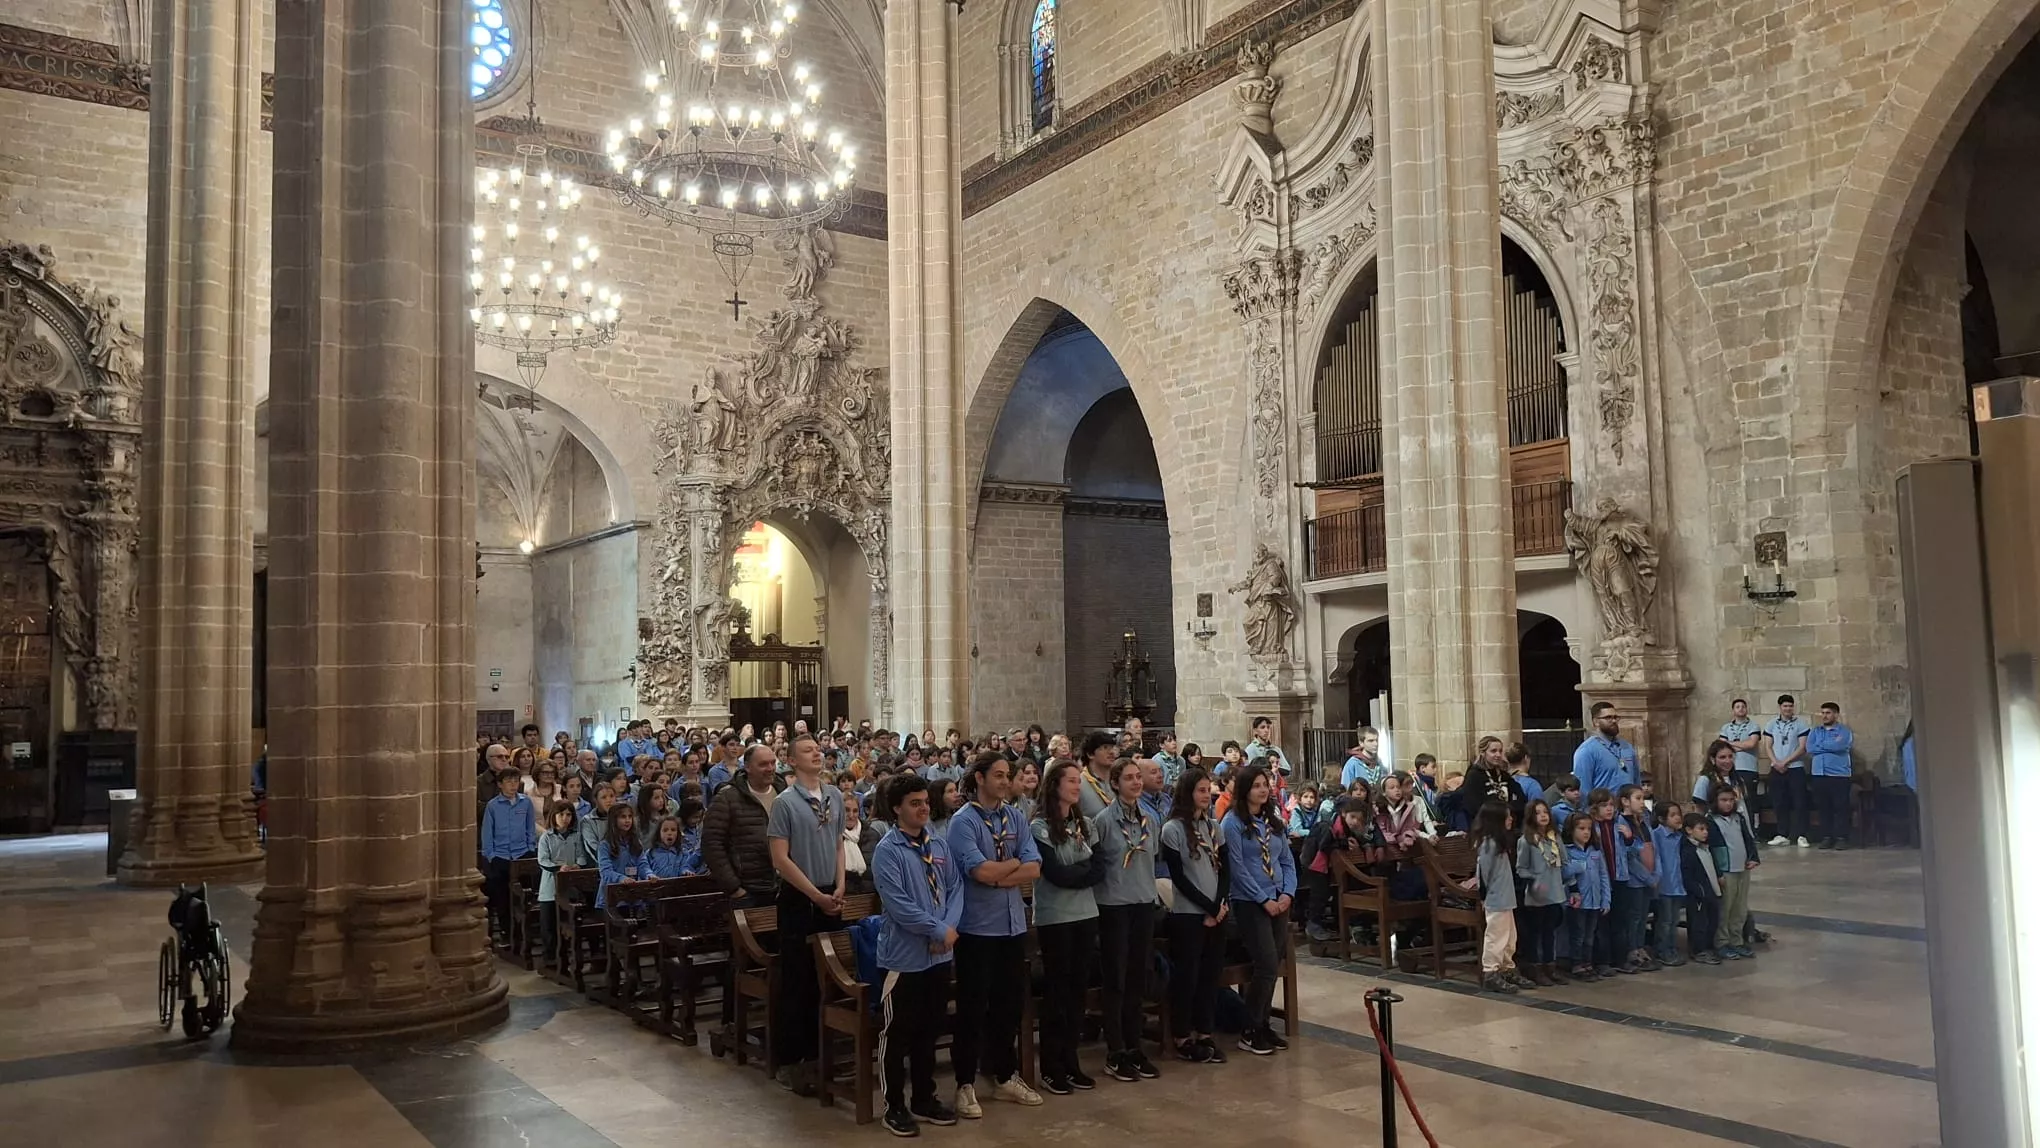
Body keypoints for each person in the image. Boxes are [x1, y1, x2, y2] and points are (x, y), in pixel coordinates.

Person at [946, 752, 1044, 1115]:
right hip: (976, 928)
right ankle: (964, 1083)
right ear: (981, 778)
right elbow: (981, 873)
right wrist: (1011, 866)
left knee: (1008, 1006)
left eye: (1008, 776)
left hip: (1012, 924)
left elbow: (1034, 869)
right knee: (973, 1007)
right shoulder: (963, 822)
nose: (1005, 781)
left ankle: (1004, 1077)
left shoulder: (1015, 817)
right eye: (999, 775)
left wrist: (1006, 870)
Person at [870, 774, 964, 1137]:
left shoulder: (937, 845)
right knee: (898, 1034)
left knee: (929, 1029)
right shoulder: (888, 851)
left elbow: (955, 887)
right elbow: (899, 905)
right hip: (904, 958)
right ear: (897, 808)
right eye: (915, 803)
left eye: (925, 801)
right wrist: (939, 930)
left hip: (940, 956)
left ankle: (925, 1097)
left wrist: (949, 929)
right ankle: (894, 1105)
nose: (924, 807)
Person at [766, 735, 847, 1095]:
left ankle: (821, 1054)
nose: (817, 753)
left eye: (818, 749)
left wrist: (840, 884)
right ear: (793, 761)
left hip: (831, 893)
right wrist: (815, 894)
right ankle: (790, 1060)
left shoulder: (835, 796)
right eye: (807, 751)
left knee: (827, 979)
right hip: (800, 899)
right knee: (797, 981)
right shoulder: (785, 803)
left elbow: (839, 843)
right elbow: (780, 859)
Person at [1031, 760, 1107, 1094]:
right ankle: (1051, 1064)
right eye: (1072, 781)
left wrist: (1080, 870)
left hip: (1085, 913)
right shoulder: (1039, 827)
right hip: (1055, 917)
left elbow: (1100, 868)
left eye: (1080, 781)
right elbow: (1055, 873)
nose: (1078, 787)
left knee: (1077, 993)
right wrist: (1083, 870)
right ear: (1055, 785)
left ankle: (1071, 1059)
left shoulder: (1086, 823)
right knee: (1057, 992)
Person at [1092, 755, 1161, 1082]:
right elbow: (1099, 862)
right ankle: (1115, 1049)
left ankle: (1135, 1046)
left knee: (1137, 977)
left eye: (1138, 777)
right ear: (1115, 783)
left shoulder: (1150, 818)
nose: (1135, 782)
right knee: (1116, 979)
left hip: (1143, 902)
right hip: (1114, 905)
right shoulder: (1104, 821)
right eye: (1129, 778)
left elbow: (1153, 856)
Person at [1223, 764, 1296, 1056]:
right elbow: (1237, 868)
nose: (1263, 790)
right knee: (1265, 963)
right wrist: (1262, 899)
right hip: (1250, 902)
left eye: (1265, 784)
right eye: (1256, 785)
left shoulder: (1273, 821)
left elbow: (1287, 860)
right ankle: (1250, 1028)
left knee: (1273, 964)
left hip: (1279, 898)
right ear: (1244, 790)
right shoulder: (1232, 823)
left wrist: (1288, 893)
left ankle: (1263, 1024)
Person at [1158, 768, 1228, 1064]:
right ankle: (1182, 1035)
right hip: (1188, 913)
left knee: (1211, 975)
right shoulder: (1172, 829)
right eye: (1201, 790)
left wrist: (1220, 904)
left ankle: (1205, 1031)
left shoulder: (1214, 826)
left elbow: (1225, 870)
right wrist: (1208, 908)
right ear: (1188, 793)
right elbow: (1180, 878)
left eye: (1207, 789)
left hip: (1217, 912)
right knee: (1188, 976)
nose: (1206, 794)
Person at [702, 744, 784, 908]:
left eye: (772, 763)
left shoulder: (783, 793)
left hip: (782, 886)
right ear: (747, 767)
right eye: (763, 764)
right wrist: (734, 887)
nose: (770, 769)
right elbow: (712, 844)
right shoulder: (727, 797)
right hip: (748, 889)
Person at [1469, 802, 1523, 994]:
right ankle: (1490, 972)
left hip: (1506, 897)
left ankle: (1506, 968)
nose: (1511, 819)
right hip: (1495, 897)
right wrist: (1483, 895)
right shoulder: (1488, 843)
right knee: (1496, 937)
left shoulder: (1499, 842)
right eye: (1507, 817)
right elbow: (1483, 872)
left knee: (1510, 937)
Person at [481, 766, 538, 944]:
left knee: (523, 897)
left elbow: (530, 827)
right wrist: (491, 856)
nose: (513, 785)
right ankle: (507, 933)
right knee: (503, 898)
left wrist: (530, 847)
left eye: (515, 781)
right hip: (501, 856)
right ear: (500, 785)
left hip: (522, 854)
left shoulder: (525, 802)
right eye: (508, 781)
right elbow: (487, 833)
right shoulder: (493, 806)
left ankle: (524, 933)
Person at [1707, 781, 1762, 959]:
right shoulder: (1710, 821)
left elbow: (1748, 838)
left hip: (1742, 868)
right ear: (1715, 801)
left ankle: (1737, 940)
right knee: (1725, 909)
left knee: (1740, 908)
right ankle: (1722, 942)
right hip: (1726, 870)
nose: (1728, 803)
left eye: (1731, 800)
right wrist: (1718, 873)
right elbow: (1711, 849)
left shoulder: (1739, 818)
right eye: (1723, 800)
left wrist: (1753, 857)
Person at [1515, 798, 1567, 986]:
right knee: (1535, 932)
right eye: (1538, 813)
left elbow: (1564, 862)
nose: (1543, 816)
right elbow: (1521, 868)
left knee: (1550, 932)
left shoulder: (1555, 838)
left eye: (1545, 811)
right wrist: (1535, 880)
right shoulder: (1526, 841)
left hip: (1555, 891)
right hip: (1537, 895)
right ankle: (1534, 968)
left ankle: (1550, 966)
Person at [1612, 784, 1658, 971]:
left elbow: (1653, 847)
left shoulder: (1643, 821)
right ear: (1625, 801)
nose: (1641, 802)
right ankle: (1631, 950)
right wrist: (1647, 878)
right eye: (1637, 798)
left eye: (1642, 798)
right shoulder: (1622, 823)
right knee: (1634, 917)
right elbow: (1629, 857)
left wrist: (1656, 873)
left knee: (1643, 916)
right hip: (1635, 880)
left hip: (1649, 876)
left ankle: (1640, 947)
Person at [1561, 812, 1611, 981]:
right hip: (1577, 903)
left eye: (1589, 829)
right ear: (1571, 830)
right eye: (1581, 828)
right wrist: (1579, 866)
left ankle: (1588, 963)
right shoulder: (1567, 851)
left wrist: (1606, 899)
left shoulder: (1595, 851)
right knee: (1578, 935)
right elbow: (1564, 872)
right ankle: (1576, 964)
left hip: (1595, 902)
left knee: (1590, 935)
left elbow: (1603, 875)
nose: (1586, 832)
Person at [536, 802, 584, 967]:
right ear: (554, 816)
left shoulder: (576, 835)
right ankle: (550, 958)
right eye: (561, 815)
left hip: (570, 887)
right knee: (549, 925)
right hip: (550, 886)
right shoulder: (546, 837)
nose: (565, 818)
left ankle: (565, 956)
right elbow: (543, 860)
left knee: (567, 924)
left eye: (569, 815)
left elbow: (581, 855)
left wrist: (578, 864)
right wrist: (558, 867)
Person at [1764, 694, 1812, 847]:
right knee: (1779, 802)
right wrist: (1776, 762)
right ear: (1780, 707)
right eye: (1785, 706)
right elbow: (1767, 746)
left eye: (1790, 706)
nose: (1788, 709)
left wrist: (1785, 761)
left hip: (1795, 768)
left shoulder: (1801, 724)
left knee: (1799, 802)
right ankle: (1782, 833)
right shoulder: (1771, 724)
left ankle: (1801, 835)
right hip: (1776, 768)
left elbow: (1802, 747)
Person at [1807, 702, 1855, 849]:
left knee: (1840, 807)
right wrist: (1829, 745)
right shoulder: (1815, 731)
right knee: (1823, 807)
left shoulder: (1844, 731)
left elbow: (1840, 746)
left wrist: (1821, 746)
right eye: (1823, 713)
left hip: (1839, 775)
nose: (1824, 716)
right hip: (1819, 775)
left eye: (1828, 713)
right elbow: (1810, 747)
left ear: (1835, 714)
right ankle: (1826, 836)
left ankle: (1841, 837)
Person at [1679, 811, 1724, 965]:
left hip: (1712, 891)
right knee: (1699, 924)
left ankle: (1709, 947)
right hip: (1698, 895)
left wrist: (1719, 877)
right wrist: (1700, 891)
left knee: (1712, 921)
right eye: (1701, 829)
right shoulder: (1688, 851)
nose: (1705, 833)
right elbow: (1688, 875)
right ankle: (1698, 950)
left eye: (1706, 829)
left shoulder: (1705, 847)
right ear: (1689, 830)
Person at [1649, 803, 1689, 967]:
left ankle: (1672, 948)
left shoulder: (1681, 836)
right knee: (1664, 921)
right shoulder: (1656, 835)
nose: (1678, 818)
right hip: (1664, 885)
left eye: (1678, 814)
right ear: (1661, 818)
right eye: (1672, 815)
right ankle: (1661, 950)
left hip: (1678, 884)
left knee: (1674, 920)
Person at [1572, 702, 1639, 798]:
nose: (1614, 721)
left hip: (1627, 809)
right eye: (1608, 718)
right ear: (1596, 722)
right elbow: (1584, 790)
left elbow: (1636, 781)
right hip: (1603, 809)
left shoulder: (1627, 747)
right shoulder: (1586, 751)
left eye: (1616, 717)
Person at [595, 804, 645, 910]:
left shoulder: (636, 843)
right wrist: (621, 878)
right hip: (611, 899)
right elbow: (606, 872)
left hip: (633, 894)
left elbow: (642, 864)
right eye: (623, 817)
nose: (627, 820)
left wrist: (649, 874)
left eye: (630, 816)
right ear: (614, 820)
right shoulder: (605, 845)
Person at [1375, 771, 1435, 850]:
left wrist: (1408, 836)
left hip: (1404, 846)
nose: (1396, 790)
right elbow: (1382, 832)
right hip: (1387, 846)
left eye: (1398, 787)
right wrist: (1399, 839)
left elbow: (1409, 828)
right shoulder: (1380, 810)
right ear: (1384, 792)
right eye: (1392, 788)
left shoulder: (1407, 807)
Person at [1720, 698, 1763, 795]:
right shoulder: (1726, 727)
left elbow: (1751, 744)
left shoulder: (1753, 726)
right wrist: (1743, 745)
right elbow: (1722, 746)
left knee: (1750, 798)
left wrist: (1729, 743)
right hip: (1730, 768)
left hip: (1749, 768)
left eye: (1743, 707)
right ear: (1733, 710)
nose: (1741, 709)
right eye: (1738, 707)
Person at [1076, 730, 1119, 818]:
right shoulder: (1079, 784)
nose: (1111, 752)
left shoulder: (1119, 781)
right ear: (1090, 754)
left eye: (1112, 748)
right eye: (1105, 748)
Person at [1691, 739, 1737, 805]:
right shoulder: (1705, 780)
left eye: (1730, 756)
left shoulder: (1737, 779)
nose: (1728, 761)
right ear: (1712, 759)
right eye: (1722, 757)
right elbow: (1699, 809)